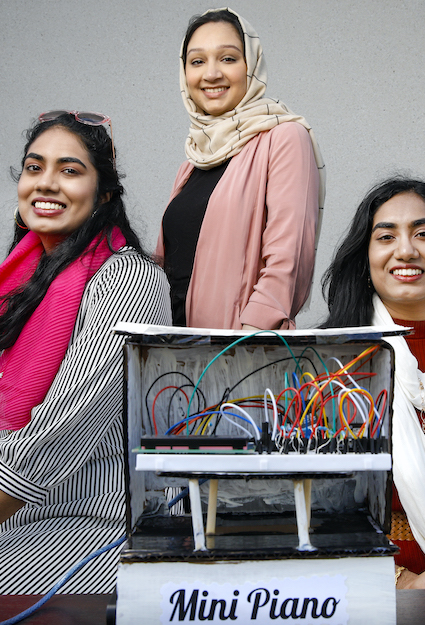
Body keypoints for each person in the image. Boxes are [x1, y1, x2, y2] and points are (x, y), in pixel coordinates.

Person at [0, 111, 172, 594]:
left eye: (70, 171)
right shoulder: (19, 285)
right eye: (34, 168)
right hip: (17, 525)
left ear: (105, 194)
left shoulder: (128, 279)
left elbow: (62, 431)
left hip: (98, 526)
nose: (46, 183)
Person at [322, 177, 425, 589]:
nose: (405, 250)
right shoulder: (325, 369)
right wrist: (401, 585)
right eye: (386, 236)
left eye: (424, 234)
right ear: (367, 258)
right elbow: (299, 508)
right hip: (353, 594)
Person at [156, 7, 326, 330]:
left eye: (228, 58)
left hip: (238, 357)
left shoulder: (285, 137)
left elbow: (285, 264)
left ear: (252, 65)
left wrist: (242, 348)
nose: (211, 74)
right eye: (197, 61)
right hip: (172, 356)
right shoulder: (192, 163)